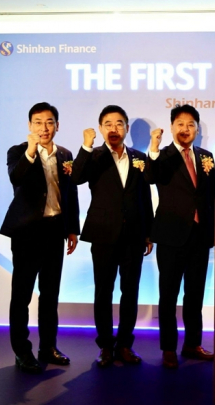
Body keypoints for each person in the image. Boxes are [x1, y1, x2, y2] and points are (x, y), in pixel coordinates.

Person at [71, 105, 153, 367]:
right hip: (104, 235)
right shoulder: (93, 157)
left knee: (131, 292)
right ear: (101, 128)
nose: (113, 128)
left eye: (119, 124)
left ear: (127, 129)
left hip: (133, 236)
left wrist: (148, 233)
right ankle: (106, 345)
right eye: (108, 124)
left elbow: (145, 197)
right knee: (103, 292)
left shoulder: (139, 158)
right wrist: (85, 146)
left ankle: (125, 345)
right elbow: (75, 178)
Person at [0, 102, 80, 373]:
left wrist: (72, 228)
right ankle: (22, 351)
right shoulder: (18, 152)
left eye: (49, 122)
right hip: (26, 235)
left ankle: (49, 347)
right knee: (21, 295)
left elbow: (70, 193)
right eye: (38, 122)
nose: (44, 128)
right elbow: (16, 178)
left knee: (50, 294)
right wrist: (31, 152)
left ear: (57, 125)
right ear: (29, 126)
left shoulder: (66, 154)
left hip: (55, 232)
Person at [145, 104, 215, 369]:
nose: (185, 129)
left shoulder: (206, 157)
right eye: (180, 124)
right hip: (170, 236)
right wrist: (153, 147)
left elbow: (211, 197)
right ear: (172, 127)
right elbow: (150, 177)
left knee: (195, 295)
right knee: (168, 295)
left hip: (199, 237)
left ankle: (192, 344)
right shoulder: (161, 156)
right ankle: (168, 348)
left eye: (190, 124)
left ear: (197, 129)